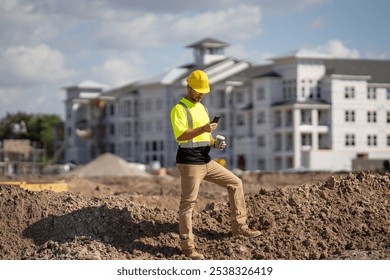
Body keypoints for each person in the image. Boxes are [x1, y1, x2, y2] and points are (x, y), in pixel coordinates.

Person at [170, 70, 261, 260]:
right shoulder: (179, 109)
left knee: (235, 183)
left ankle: (240, 228)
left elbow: (205, 136)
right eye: (197, 91)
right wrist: (203, 129)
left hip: (206, 160)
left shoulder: (202, 109)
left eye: (203, 92)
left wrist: (214, 143)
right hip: (189, 163)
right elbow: (180, 135)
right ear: (189, 87)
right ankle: (188, 248)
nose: (200, 94)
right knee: (188, 203)